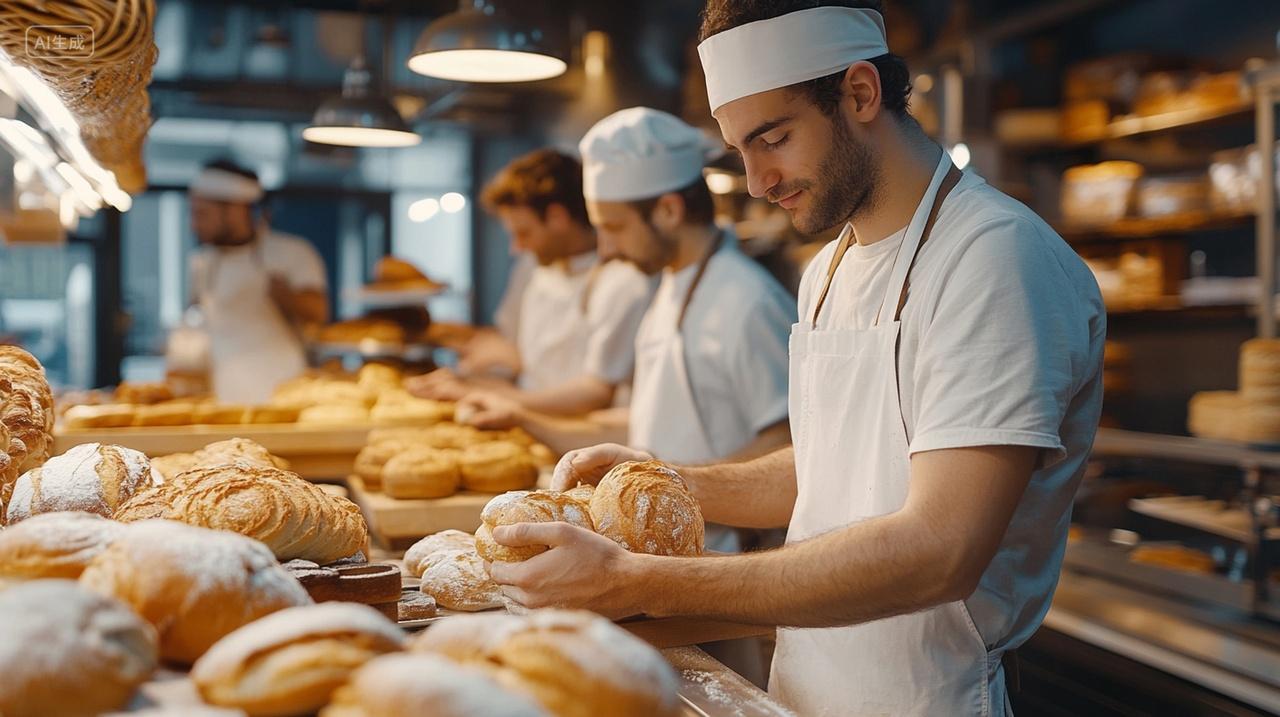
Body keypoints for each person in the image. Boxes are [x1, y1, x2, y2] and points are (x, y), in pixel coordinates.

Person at [479, 3, 1107, 715]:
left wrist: (636, 578)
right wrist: (662, 481)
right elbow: (831, 465)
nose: (756, 180)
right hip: (801, 688)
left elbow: (941, 548)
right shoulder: (830, 269)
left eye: (772, 137)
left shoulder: (993, 258)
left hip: (928, 697)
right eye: (740, 149)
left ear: (861, 93)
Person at [460, 108, 795, 555]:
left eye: (614, 227)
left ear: (669, 211)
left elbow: (788, 440)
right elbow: (650, 428)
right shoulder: (672, 287)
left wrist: (669, 483)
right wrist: (525, 419)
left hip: (725, 555)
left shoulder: (747, 302)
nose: (606, 248)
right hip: (662, 552)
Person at [407, 149, 654, 416]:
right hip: (530, 423)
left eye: (524, 233)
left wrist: (494, 396)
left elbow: (594, 394)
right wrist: (486, 369)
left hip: (580, 439)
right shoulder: (540, 271)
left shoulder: (623, 282)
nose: (517, 247)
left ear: (557, 217)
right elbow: (532, 358)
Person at [186, 160, 328, 404]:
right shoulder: (203, 262)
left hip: (282, 394)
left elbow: (319, 312)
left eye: (203, 214)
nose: (194, 224)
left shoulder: (291, 252)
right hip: (223, 395)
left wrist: (285, 297)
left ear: (235, 210)